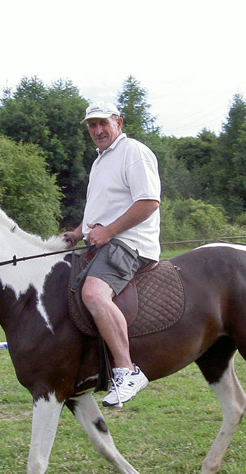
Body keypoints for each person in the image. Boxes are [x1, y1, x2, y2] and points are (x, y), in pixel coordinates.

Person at [62, 101, 161, 408]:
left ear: (118, 122)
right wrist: (79, 232)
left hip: (130, 243)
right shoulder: (101, 160)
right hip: (106, 240)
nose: (98, 130)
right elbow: (102, 209)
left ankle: (127, 370)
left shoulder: (132, 152)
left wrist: (109, 231)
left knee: (93, 293)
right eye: (92, 125)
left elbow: (148, 202)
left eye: (103, 123)